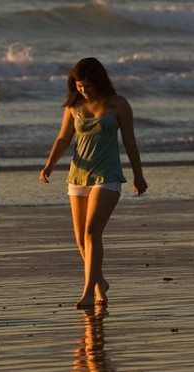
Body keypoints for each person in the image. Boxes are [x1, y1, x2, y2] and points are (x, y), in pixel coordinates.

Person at [39, 57, 148, 309]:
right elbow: (63, 138)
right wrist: (49, 165)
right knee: (80, 240)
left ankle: (89, 292)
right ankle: (100, 282)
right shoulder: (73, 105)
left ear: (99, 81)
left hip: (107, 176)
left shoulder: (118, 105)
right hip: (78, 176)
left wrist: (138, 175)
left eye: (87, 86)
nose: (83, 91)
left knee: (91, 233)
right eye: (78, 86)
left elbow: (131, 142)